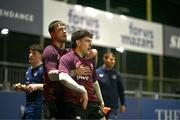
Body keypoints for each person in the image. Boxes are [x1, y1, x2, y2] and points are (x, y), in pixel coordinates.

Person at [42, 20, 95, 119]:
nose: (64, 31)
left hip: (65, 99)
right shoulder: (49, 50)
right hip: (52, 100)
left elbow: (93, 52)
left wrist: (92, 52)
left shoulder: (68, 51)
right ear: (52, 34)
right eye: (60, 29)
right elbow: (51, 75)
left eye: (65, 28)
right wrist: (74, 72)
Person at [58, 29, 105, 120]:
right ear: (78, 42)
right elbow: (62, 77)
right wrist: (81, 89)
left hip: (92, 104)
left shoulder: (90, 61)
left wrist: (101, 101)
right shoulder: (67, 58)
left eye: (91, 41)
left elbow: (94, 82)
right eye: (87, 41)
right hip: (75, 103)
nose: (90, 44)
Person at [14, 44, 44, 119]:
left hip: (39, 107)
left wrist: (37, 86)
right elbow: (30, 86)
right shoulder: (29, 70)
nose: (30, 55)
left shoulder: (44, 70)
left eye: (34, 53)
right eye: (30, 52)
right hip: (28, 106)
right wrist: (21, 87)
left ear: (41, 56)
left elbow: (51, 87)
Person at [96, 51, 126, 119]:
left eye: (114, 60)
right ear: (104, 59)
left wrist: (123, 104)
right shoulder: (97, 72)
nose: (113, 61)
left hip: (113, 107)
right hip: (100, 106)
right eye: (111, 59)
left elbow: (121, 90)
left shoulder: (116, 74)